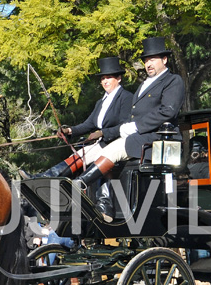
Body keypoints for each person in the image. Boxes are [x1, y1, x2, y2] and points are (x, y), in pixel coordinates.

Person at [23, 56, 133, 218]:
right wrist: (69, 131)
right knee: (78, 155)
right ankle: (45, 177)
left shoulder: (126, 98)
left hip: (117, 143)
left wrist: (103, 133)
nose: (105, 81)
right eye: (103, 78)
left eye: (108, 77)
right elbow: (88, 124)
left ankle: (102, 203)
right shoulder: (102, 102)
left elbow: (125, 125)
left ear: (118, 78)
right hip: (102, 143)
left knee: (90, 156)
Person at [72, 36, 185, 191]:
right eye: (146, 61)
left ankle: (79, 184)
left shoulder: (173, 80)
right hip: (138, 136)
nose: (148, 64)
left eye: (152, 59)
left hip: (158, 138)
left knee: (113, 150)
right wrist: (109, 132)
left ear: (164, 59)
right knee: (95, 151)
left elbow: (168, 112)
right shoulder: (144, 85)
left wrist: (136, 127)